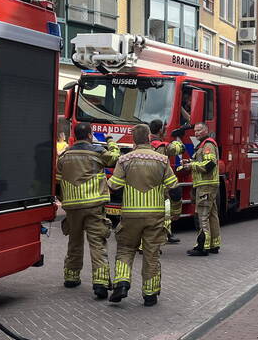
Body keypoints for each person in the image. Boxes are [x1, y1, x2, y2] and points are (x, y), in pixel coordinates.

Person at [107, 124, 179, 306]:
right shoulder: (162, 160)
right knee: (151, 253)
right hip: (154, 216)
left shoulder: (124, 160)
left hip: (130, 216)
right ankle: (150, 294)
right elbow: (174, 188)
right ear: (148, 137)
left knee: (125, 249)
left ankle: (122, 283)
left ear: (133, 140)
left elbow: (113, 185)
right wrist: (175, 211)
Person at [55, 122, 120, 299]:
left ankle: (71, 277)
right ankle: (100, 283)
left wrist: (64, 200)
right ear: (90, 135)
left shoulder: (64, 156)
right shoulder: (97, 152)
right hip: (94, 206)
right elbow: (115, 157)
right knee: (97, 242)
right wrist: (110, 141)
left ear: (75, 136)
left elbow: (57, 183)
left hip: (73, 207)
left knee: (74, 242)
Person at [186, 122, 222, 257]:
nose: (196, 133)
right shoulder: (203, 145)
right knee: (212, 215)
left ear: (206, 130)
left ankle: (202, 246)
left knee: (202, 215)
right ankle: (214, 244)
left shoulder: (207, 145)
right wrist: (190, 163)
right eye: (195, 131)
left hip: (206, 185)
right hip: (208, 184)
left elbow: (209, 164)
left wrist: (192, 166)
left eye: (199, 130)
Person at [149, 119, 186, 245]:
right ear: (160, 130)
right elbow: (178, 149)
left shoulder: (143, 144)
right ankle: (162, 234)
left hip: (145, 181)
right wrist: (178, 140)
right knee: (165, 208)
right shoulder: (162, 146)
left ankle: (166, 233)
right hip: (161, 183)